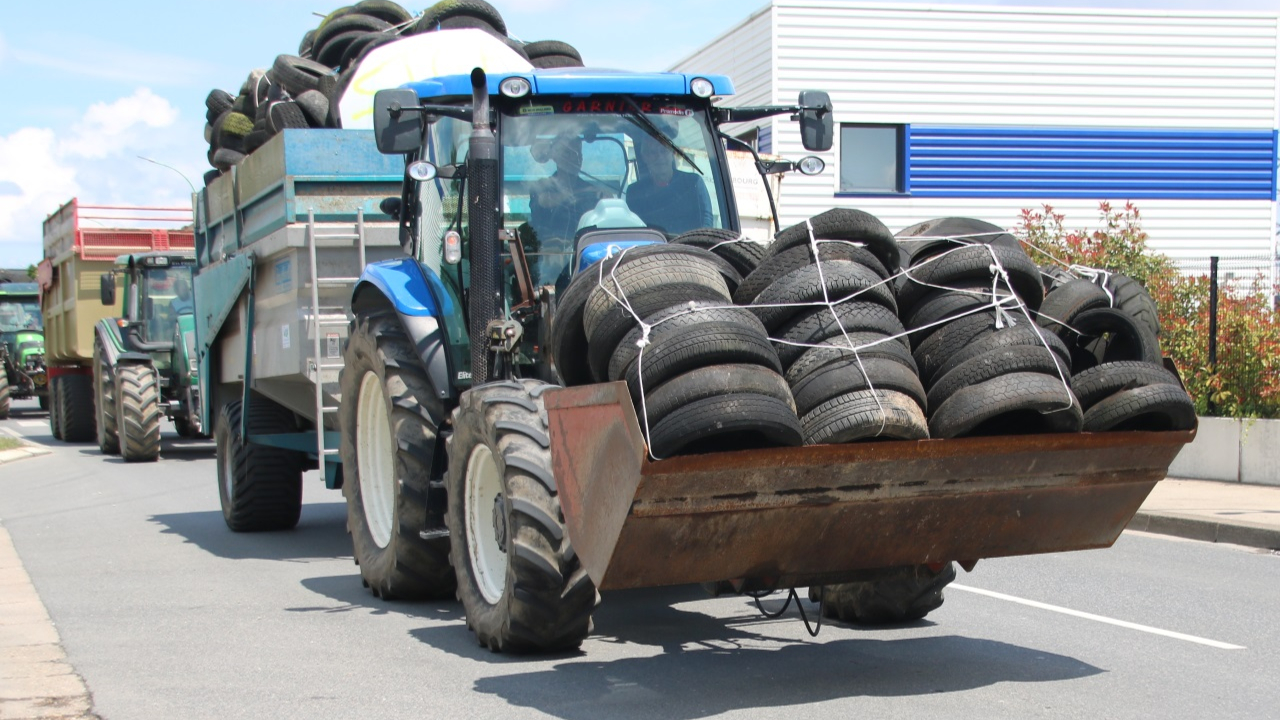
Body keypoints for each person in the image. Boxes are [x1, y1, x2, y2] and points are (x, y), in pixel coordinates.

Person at [625, 134, 713, 236]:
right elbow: (633, 231)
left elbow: (706, 222)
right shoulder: (635, 192)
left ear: (673, 154)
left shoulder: (693, 183)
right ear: (644, 157)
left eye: (663, 151)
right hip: (650, 250)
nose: (659, 157)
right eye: (653, 152)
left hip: (690, 248)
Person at [528, 129, 605, 243]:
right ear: (555, 157)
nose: (575, 158)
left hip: (585, 248)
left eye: (578, 154)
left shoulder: (592, 190)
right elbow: (544, 201)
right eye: (567, 153)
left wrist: (604, 198)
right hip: (546, 251)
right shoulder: (541, 186)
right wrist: (575, 195)